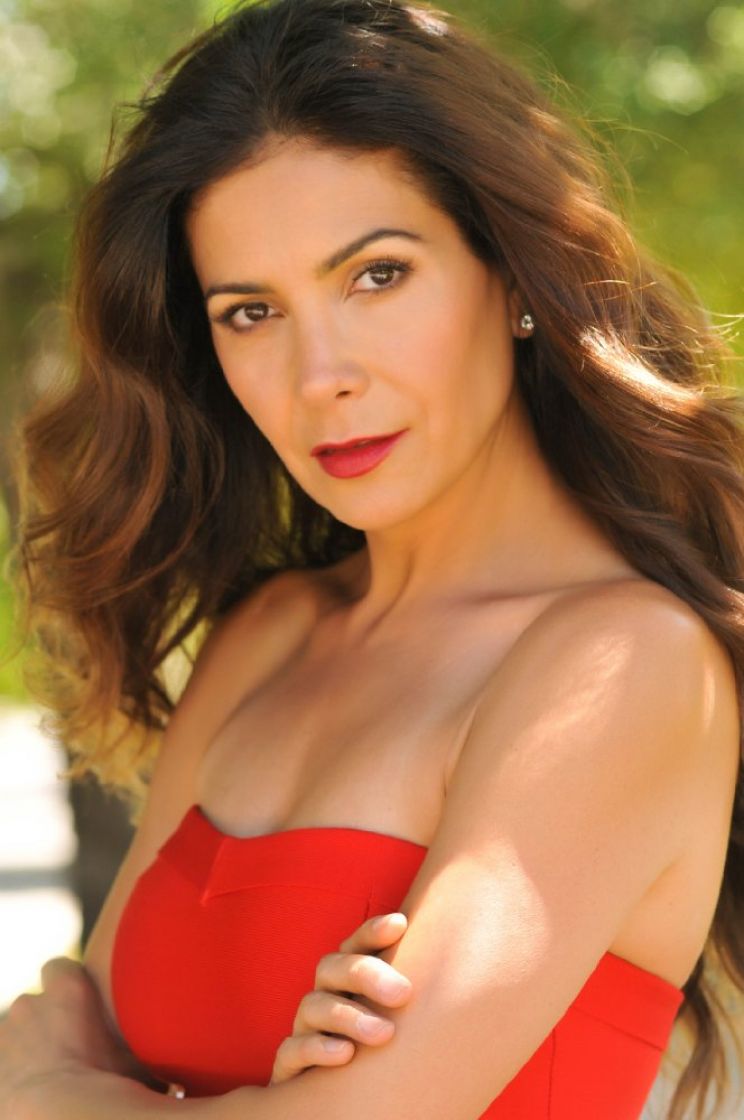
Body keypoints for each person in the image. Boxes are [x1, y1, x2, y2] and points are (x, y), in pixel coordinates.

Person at [3, 0, 743, 1117]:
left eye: (377, 275)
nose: (320, 377)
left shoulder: (624, 665)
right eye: (251, 312)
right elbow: (73, 1016)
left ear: (513, 275)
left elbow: (50, 1060)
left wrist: (53, 1094)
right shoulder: (269, 636)